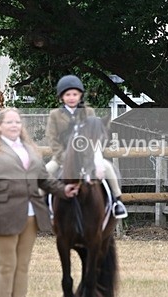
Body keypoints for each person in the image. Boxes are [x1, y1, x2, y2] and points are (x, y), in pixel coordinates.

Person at [0, 108, 79, 297]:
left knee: (23, 267)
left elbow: (44, 180)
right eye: (9, 122)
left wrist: (63, 190)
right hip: (2, 215)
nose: (14, 125)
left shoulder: (30, 150)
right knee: (6, 266)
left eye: (17, 122)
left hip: (31, 216)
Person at [45, 75, 128, 219]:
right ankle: (43, 206)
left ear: (80, 96)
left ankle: (117, 201)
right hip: (61, 156)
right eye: (68, 94)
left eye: (75, 94)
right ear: (61, 97)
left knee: (108, 168)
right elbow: (52, 139)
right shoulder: (55, 115)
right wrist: (63, 157)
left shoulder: (88, 112)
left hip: (87, 156)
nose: (71, 97)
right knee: (45, 172)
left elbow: (94, 133)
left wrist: (93, 154)